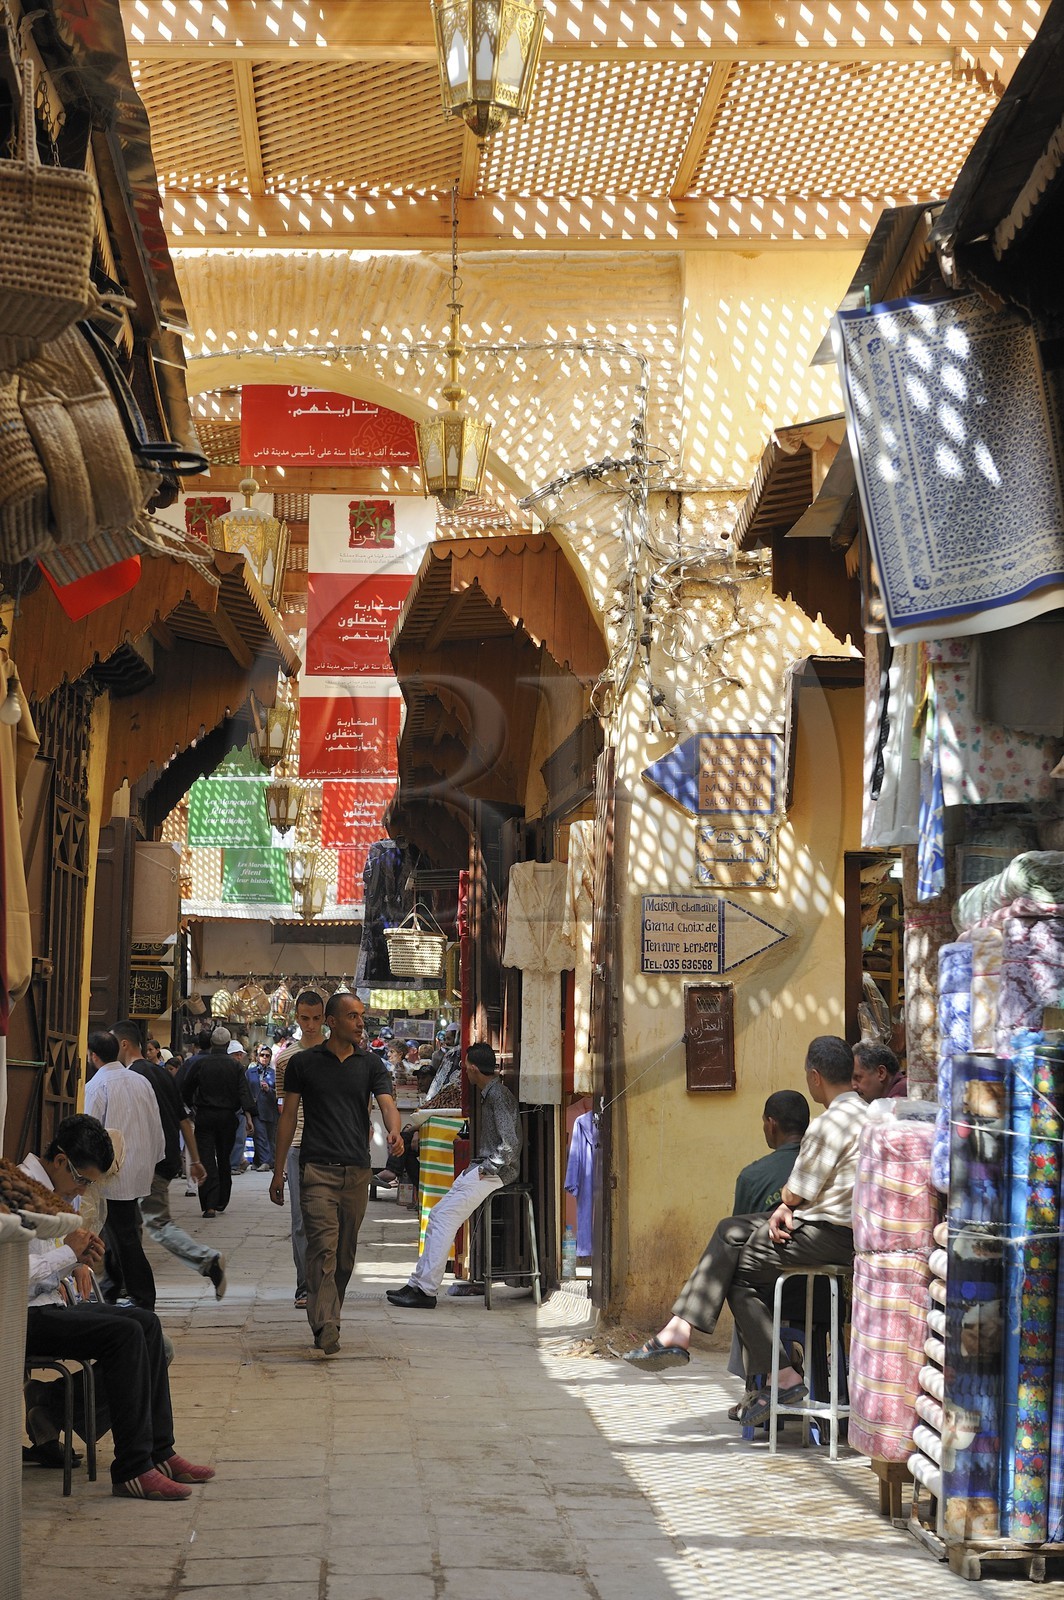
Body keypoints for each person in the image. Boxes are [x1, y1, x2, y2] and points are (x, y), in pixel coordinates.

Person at [623, 1036, 869, 1427]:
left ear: (815, 1077)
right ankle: (680, 1329)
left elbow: (796, 1192)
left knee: (738, 1271)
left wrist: (786, 1203)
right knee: (730, 1232)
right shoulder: (868, 1115)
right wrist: (787, 1206)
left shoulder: (830, 1123)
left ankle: (779, 1374)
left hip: (826, 1235)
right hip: (841, 1234)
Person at [21, 1114, 216, 1502]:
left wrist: (76, 1259)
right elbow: (14, 1274)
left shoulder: (53, 1191)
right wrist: (68, 1255)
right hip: (20, 1316)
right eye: (82, 1180)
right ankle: (132, 1468)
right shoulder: (20, 1191)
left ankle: (160, 1451)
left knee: (146, 1324)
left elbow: (50, 1263)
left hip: (49, 1304)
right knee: (124, 1335)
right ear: (60, 1161)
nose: (82, 1190)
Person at [270, 991, 403, 1355]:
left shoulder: (370, 1064)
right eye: (352, 1016)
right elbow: (287, 1117)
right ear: (332, 1022)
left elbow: (387, 1104)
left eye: (361, 1015)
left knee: (344, 1256)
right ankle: (325, 1324)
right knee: (322, 1249)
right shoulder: (302, 1064)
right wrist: (278, 1170)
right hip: (316, 1170)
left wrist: (395, 1130)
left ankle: (329, 1313)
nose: (360, 1023)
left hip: (357, 1171)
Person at [387, 1042, 521, 1311]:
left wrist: (486, 1168)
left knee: (445, 1218)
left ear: (473, 1069)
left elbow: (510, 1146)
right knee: (437, 1215)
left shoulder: (499, 1096)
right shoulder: (491, 1093)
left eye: (466, 1068)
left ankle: (426, 1290)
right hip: (483, 1169)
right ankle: (417, 1283)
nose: (464, 1072)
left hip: (495, 1172)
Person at [112, 1020, 227, 1301]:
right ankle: (125, 1283)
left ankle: (206, 1259)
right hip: (165, 1159)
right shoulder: (161, 1074)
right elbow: (183, 1120)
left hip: (146, 1161)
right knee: (132, 1223)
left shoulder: (130, 1078)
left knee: (152, 1223)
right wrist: (195, 1160)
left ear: (124, 1044)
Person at [83, 1030, 165, 1310]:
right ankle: (111, 1286)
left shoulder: (98, 1085)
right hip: (139, 1167)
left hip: (113, 1172)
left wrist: (84, 1170)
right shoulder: (140, 1080)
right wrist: (154, 1159)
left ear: (93, 1056)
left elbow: (90, 1130)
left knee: (124, 1235)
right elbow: (156, 1124)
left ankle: (143, 1295)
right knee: (115, 1231)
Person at [273, 990, 327, 1309]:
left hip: (332, 1144)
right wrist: (277, 1168)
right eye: (305, 1018)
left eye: (316, 1018)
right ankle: (305, 1285)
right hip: (298, 1146)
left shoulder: (338, 1054)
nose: (311, 1025)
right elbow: (285, 1112)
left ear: (325, 1018)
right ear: (297, 1018)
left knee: (331, 1220)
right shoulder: (285, 1059)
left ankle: (326, 1283)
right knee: (301, 1220)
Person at [182, 1027, 255, 1218]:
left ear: (212, 1043)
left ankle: (209, 1205)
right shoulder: (235, 1066)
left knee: (206, 1158)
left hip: (205, 1116)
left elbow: (186, 1088)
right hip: (227, 1118)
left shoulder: (201, 1064)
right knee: (224, 1158)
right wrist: (248, 1116)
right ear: (228, 1044)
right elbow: (244, 1093)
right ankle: (222, 1199)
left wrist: (192, 1107)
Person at [732, 1090, 811, 1214]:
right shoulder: (827, 1165)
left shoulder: (752, 1176)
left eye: (764, 1122)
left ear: (772, 1125)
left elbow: (737, 1225)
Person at [248, 1044, 279, 1170]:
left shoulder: (274, 1074)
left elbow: (280, 1093)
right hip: (256, 1109)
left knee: (270, 1137)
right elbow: (245, 1090)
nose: (264, 1058)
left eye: (267, 1056)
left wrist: (269, 1090)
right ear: (257, 1057)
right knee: (260, 1135)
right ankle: (265, 1161)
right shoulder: (250, 1072)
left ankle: (261, 1161)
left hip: (270, 1109)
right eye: (262, 1055)